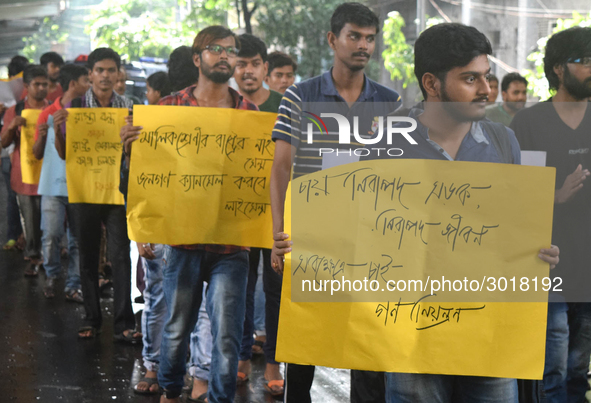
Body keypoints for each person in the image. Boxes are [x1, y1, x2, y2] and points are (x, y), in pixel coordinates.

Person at [347, 22, 559, 403]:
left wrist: (540, 251)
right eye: (470, 79)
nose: (485, 90)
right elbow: (355, 231)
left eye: (486, 77)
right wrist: (306, 246)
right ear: (432, 83)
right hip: (411, 344)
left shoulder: (502, 140)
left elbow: (517, 226)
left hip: (488, 341)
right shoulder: (385, 143)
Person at [270, 3, 401, 403]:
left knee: (367, 345)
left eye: (370, 38)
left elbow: (398, 174)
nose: (364, 45)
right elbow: (280, 169)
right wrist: (278, 233)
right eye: (354, 36)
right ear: (332, 39)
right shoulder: (300, 94)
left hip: (369, 240)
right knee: (305, 344)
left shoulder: (390, 101)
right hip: (311, 237)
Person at [121, 25, 257, 403]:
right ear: (198, 59)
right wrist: (131, 151)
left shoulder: (251, 114)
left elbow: (258, 177)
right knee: (177, 328)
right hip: (181, 240)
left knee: (227, 336)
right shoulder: (167, 110)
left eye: (231, 50)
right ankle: (169, 390)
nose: (224, 55)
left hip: (232, 245)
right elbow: (148, 178)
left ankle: (219, 398)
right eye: (215, 49)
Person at [510, 26, 591, 403]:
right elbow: (514, 200)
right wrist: (556, 197)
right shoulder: (528, 124)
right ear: (559, 68)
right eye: (585, 61)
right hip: (547, 265)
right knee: (552, 367)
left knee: (579, 368)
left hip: (588, 263)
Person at [54, 48, 138, 342]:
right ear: (89, 75)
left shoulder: (130, 108)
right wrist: (58, 131)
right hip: (84, 191)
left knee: (120, 256)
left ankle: (123, 322)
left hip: (117, 192)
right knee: (87, 257)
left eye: (111, 70)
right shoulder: (75, 108)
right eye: (99, 70)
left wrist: (130, 140)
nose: (105, 76)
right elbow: (65, 155)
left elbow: (136, 155)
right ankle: (91, 317)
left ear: (118, 74)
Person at [230, 32, 284, 396]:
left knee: (276, 286)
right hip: (238, 212)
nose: (247, 70)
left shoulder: (285, 105)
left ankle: (275, 360)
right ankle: (243, 356)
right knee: (242, 286)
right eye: (240, 63)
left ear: (266, 67)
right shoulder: (226, 107)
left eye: (254, 64)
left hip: (278, 210)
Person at [32, 64, 89, 301]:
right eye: (86, 80)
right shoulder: (48, 113)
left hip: (80, 186)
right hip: (54, 186)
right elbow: (36, 154)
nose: (90, 84)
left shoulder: (89, 111)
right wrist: (44, 135)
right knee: (51, 233)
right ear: (73, 84)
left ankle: (73, 284)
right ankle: (53, 274)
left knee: (77, 238)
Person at [0, 65, 49, 276]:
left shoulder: (54, 110)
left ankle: (50, 258)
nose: (41, 88)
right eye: (37, 84)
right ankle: (33, 257)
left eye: (44, 84)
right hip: (24, 176)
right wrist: (12, 127)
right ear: (27, 86)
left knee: (51, 222)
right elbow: (4, 143)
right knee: (30, 220)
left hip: (50, 176)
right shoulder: (16, 110)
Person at [1, 55, 29, 250]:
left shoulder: (31, 99)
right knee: (15, 196)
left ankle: (23, 236)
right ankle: (17, 235)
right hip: (8, 151)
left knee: (24, 198)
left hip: (23, 152)